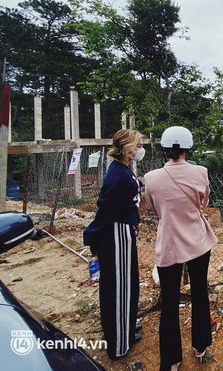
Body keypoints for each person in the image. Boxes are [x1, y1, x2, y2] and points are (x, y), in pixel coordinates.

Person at [144, 126, 217, 371]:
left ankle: (172, 360)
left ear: (164, 150)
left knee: (170, 301)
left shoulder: (151, 178)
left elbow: (153, 209)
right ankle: (201, 345)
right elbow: (203, 203)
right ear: (189, 147)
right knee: (199, 292)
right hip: (198, 240)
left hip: (169, 243)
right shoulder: (201, 172)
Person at [83, 129, 145, 359]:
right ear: (127, 148)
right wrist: (92, 235)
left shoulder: (122, 169)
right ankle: (119, 344)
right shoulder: (118, 175)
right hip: (116, 234)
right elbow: (106, 210)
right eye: (137, 145)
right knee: (118, 288)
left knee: (129, 284)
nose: (140, 149)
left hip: (124, 232)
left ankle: (126, 328)